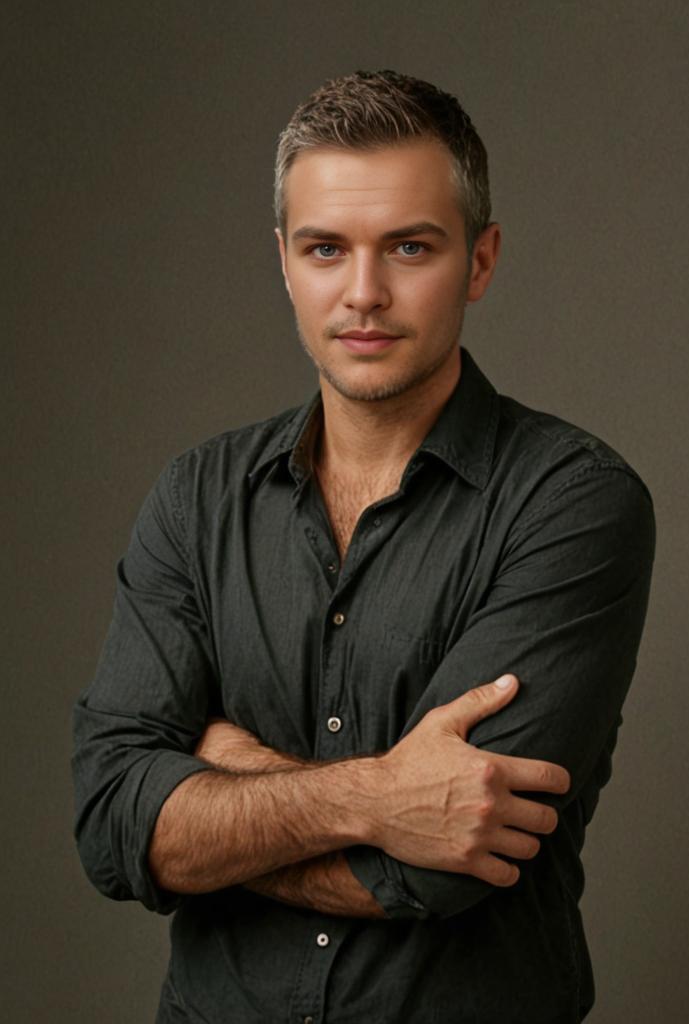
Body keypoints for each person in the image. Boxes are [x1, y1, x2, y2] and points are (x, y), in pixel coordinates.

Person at [72, 70, 655, 1023]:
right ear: (284, 261)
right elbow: (111, 828)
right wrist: (381, 798)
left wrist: (219, 774)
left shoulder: (574, 504)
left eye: (410, 247)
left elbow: (443, 869)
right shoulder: (197, 499)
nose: (363, 294)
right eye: (325, 248)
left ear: (480, 260)